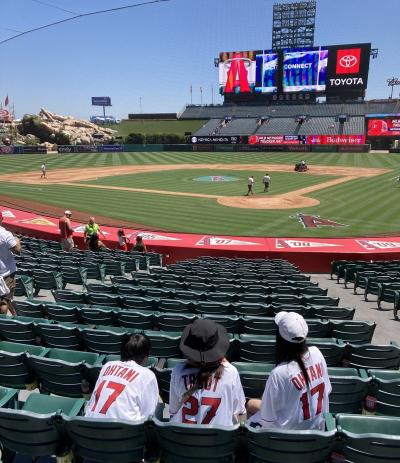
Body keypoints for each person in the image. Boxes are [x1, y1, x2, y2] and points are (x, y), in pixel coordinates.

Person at [247, 312, 331, 430]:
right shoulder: (317, 353)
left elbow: (267, 419)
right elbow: (327, 391)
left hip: (285, 439)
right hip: (316, 434)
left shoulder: (279, 373)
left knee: (251, 404)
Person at [169, 319, 246, 426]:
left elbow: (172, 411)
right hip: (221, 441)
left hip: (184, 439)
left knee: (163, 409)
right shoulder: (231, 372)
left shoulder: (178, 370)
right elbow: (241, 413)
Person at [85, 334, 159, 421]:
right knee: (161, 407)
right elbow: (148, 416)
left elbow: (92, 401)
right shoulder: (148, 375)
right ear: (146, 357)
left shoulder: (107, 365)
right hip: (124, 432)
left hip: (89, 427)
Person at [0, 211, 21, 316]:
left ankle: (15, 316)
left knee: (5, 300)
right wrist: (17, 240)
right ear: (1, 219)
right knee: (4, 301)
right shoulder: (5, 234)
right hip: (6, 273)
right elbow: (17, 250)